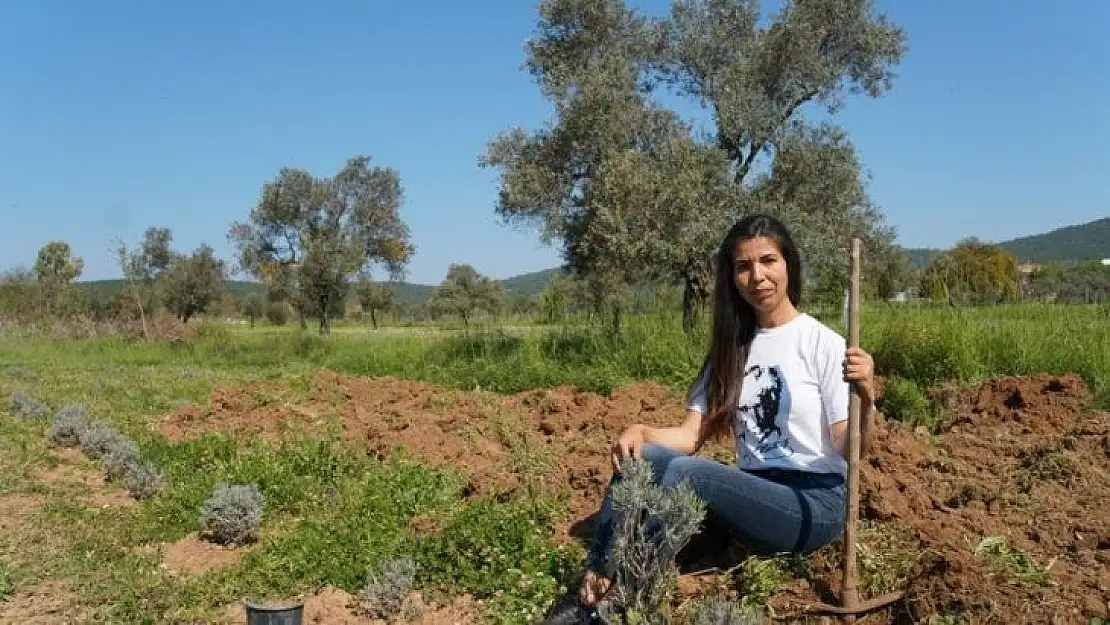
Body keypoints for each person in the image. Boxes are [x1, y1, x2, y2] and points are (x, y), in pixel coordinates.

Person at [546, 214, 881, 621]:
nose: (757, 276)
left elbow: (851, 449)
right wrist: (642, 432)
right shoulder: (731, 348)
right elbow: (690, 436)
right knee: (644, 457)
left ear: (788, 264)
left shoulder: (824, 344)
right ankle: (595, 581)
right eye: (744, 266)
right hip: (756, 491)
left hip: (813, 502)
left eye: (768, 260)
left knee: (691, 474)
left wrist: (865, 396)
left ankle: (623, 600)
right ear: (732, 277)